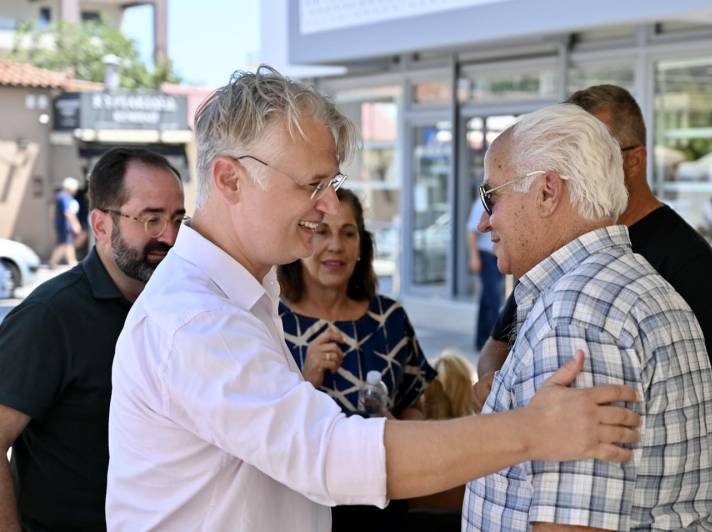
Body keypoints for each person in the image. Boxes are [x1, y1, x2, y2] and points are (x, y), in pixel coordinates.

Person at [105, 65, 642, 532]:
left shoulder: (236, 297)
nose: (328, 204)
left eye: (331, 183)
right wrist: (532, 430)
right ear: (230, 179)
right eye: (312, 184)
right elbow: (331, 456)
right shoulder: (196, 318)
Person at [463, 103, 712, 531]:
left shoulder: (577, 317)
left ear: (547, 192)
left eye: (492, 196)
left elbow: (573, 524)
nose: (485, 222)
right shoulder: (621, 288)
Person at [474, 84, 712, 436]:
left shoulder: (693, 267)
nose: (579, 162)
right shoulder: (559, 261)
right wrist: (507, 392)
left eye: (596, 149)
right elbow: (497, 346)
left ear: (634, 160)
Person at [0, 147, 185, 531]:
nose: (169, 236)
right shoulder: (49, 317)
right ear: (100, 225)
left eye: (177, 219)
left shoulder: (180, 305)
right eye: (151, 219)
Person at [279, 188, 436, 531]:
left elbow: (415, 405)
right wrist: (307, 378)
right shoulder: (275, 322)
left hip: (382, 502)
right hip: (299, 507)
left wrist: (398, 427)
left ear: (362, 245)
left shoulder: (390, 318)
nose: (336, 245)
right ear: (303, 238)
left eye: (348, 233)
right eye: (322, 231)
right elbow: (266, 428)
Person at [467, 196, 504, 351]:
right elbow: (471, 232)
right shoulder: (481, 202)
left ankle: (481, 341)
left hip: (497, 256)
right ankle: (495, 345)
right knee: (494, 300)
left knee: (486, 300)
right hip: (486, 257)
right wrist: (474, 257)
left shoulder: (500, 200)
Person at [48, 176, 83, 268]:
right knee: (64, 243)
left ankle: (71, 261)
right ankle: (54, 262)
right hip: (65, 225)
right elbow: (68, 212)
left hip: (63, 224)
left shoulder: (62, 196)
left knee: (68, 243)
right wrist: (75, 224)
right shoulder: (64, 197)